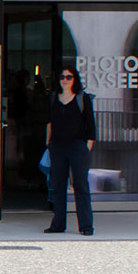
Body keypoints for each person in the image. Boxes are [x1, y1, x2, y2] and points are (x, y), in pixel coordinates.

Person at [44, 66, 97, 236]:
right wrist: (49, 143)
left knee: (80, 185)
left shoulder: (83, 99)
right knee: (58, 186)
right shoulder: (54, 98)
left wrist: (86, 147)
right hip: (57, 147)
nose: (65, 80)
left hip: (77, 147)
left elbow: (91, 126)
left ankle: (86, 226)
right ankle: (58, 224)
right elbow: (50, 122)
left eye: (69, 76)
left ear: (75, 79)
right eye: (62, 76)